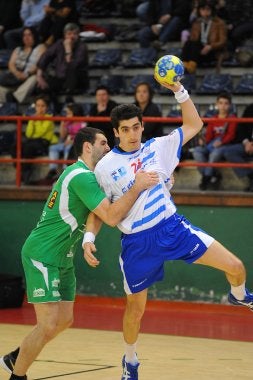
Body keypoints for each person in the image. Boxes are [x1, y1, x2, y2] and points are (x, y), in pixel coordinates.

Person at [83, 78, 253, 380]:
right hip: (137, 243)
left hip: (172, 229)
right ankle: (131, 360)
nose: (132, 134)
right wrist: (88, 237)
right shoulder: (105, 167)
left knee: (236, 267)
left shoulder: (158, 147)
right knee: (135, 310)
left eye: (136, 127)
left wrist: (179, 90)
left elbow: (194, 124)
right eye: (125, 129)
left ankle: (238, 295)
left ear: (142, 126)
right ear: (116, 132)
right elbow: (99, 210)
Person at [0, 127, 159, 380]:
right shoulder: (81, 176)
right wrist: (138, 186)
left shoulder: (91, 177)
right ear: (88, 147)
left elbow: (100, 210)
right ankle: (17, 376)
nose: (109, 148)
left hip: (64, 257)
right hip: (43, 254)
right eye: (104, 143)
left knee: (64, 320)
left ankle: (15, 357)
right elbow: (109, 215)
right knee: (48, 323)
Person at [36, 23, 89, 111]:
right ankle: (56, 107)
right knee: (43, 86)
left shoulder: (82, 47)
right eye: (69, 34)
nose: (71, 37)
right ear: (64, 35)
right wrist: (39, 74)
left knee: (72, 71)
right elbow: (46, 56)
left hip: (78, 80)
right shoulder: (59, 44)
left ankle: (69, 99)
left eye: (74, 34)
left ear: (78, 35)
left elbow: (73, 65)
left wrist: (68, 49)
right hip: (62, 78)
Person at [192, 92, 237, 190]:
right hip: (212, 144)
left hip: (224, 145)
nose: (223, 106)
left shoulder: (232, 118)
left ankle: (205, 179)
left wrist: (222, 142)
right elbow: (209, 135)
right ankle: (212, 175)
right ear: (217, 105)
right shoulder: (214, 118)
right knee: (197, 151)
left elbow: (231, 135)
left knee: (215, 154)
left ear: (229, 105)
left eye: (226, 103)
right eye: (220, 103)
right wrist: (203, 141)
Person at [11, 94, 58, 185]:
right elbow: (29, 134)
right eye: (38, 106)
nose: (40, 108)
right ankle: (22, 171)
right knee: (15, 147)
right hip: (32, 141)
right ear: (35, 107)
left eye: (43, 106)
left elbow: (41, 133)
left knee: (28, 148)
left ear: (47, 107)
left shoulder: (49, 118)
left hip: (43, 142)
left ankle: (25, 175)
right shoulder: (33, 118)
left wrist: (36, 119)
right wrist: (33, 120)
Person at [0, 27, 46, 104]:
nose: (26, 38)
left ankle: (15, 98)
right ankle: (5, 106)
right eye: (24, 35)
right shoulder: (18, 49)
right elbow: (11, 64)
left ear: (34, 36)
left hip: (29, 76)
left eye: (29, 35)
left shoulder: (41, 47)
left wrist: (26, 74)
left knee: (34, 78)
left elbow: (39, 64)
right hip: (15, 77)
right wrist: (16, 73)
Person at [181, 0, 227, 73]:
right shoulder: (196, 23)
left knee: (194, 45)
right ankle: (186, 65)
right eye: (203, 9)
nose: (205, 12)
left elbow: (223, 41)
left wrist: (210, 46)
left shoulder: (219, 23)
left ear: (212, 10)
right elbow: (193, 39)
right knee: (189, 43)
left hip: (212, 52)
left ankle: (190, 67)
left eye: (208, 9)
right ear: (199, 11)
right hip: (198, 51)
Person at [44, 102, 86, 183]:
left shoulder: (82, 123)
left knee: (68, 148)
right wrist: (63, 124)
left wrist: (73, 141)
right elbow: (62, 136)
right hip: (66, 142)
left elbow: (83, 137)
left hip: (75, 144)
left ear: (75, 113)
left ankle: (65, 169)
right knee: (53, 148)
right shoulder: (68, 123)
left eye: (69, 113)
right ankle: (52, 169)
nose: (67, 115)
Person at [223, 103, 253, 192]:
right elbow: (241, 127)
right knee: (229, 151)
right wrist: (247, 143)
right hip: (248, 144)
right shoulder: (250, 108)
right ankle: (251, 177)